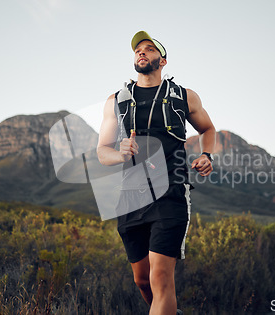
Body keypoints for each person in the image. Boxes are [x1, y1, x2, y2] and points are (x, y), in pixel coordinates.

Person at [97, 30, 216, 315]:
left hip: (170, 192)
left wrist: (206, 155)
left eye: (149, 49)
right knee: (142, 280)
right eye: (138, 49)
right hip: (131, 197)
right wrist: (120, 152)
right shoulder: (116, 101)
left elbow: (207, 129)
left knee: (161, 276)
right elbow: (102, 151)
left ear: (162, 60)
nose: (142, 52)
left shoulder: (184, 96)